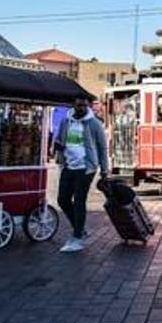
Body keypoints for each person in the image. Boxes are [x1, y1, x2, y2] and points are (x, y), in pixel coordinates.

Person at [54, 97, 109, 253]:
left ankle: (77, 237)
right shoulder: (66, 121)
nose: (82, 108)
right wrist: (58, 146)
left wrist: (104, 170)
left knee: (79, 200)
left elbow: (102, 148)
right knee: (62, 199)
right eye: (79, 105)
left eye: (85, 105)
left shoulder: (94, 123)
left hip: (86, 167)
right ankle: (81, 228)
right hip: (68, 165)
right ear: (73, 105)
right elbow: (59, 139)